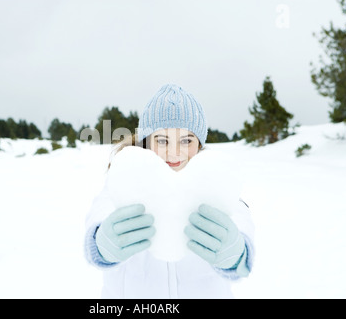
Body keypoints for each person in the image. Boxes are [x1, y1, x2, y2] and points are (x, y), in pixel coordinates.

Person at [84, 84, 255, 298]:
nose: (174, 152)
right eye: (162, 140)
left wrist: (237, 254)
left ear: (200, 144)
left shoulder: (214, 187)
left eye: (186, 140)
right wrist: (101, 243)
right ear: (146, 142)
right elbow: (101, 211)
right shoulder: (125, 185)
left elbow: (239, 216)